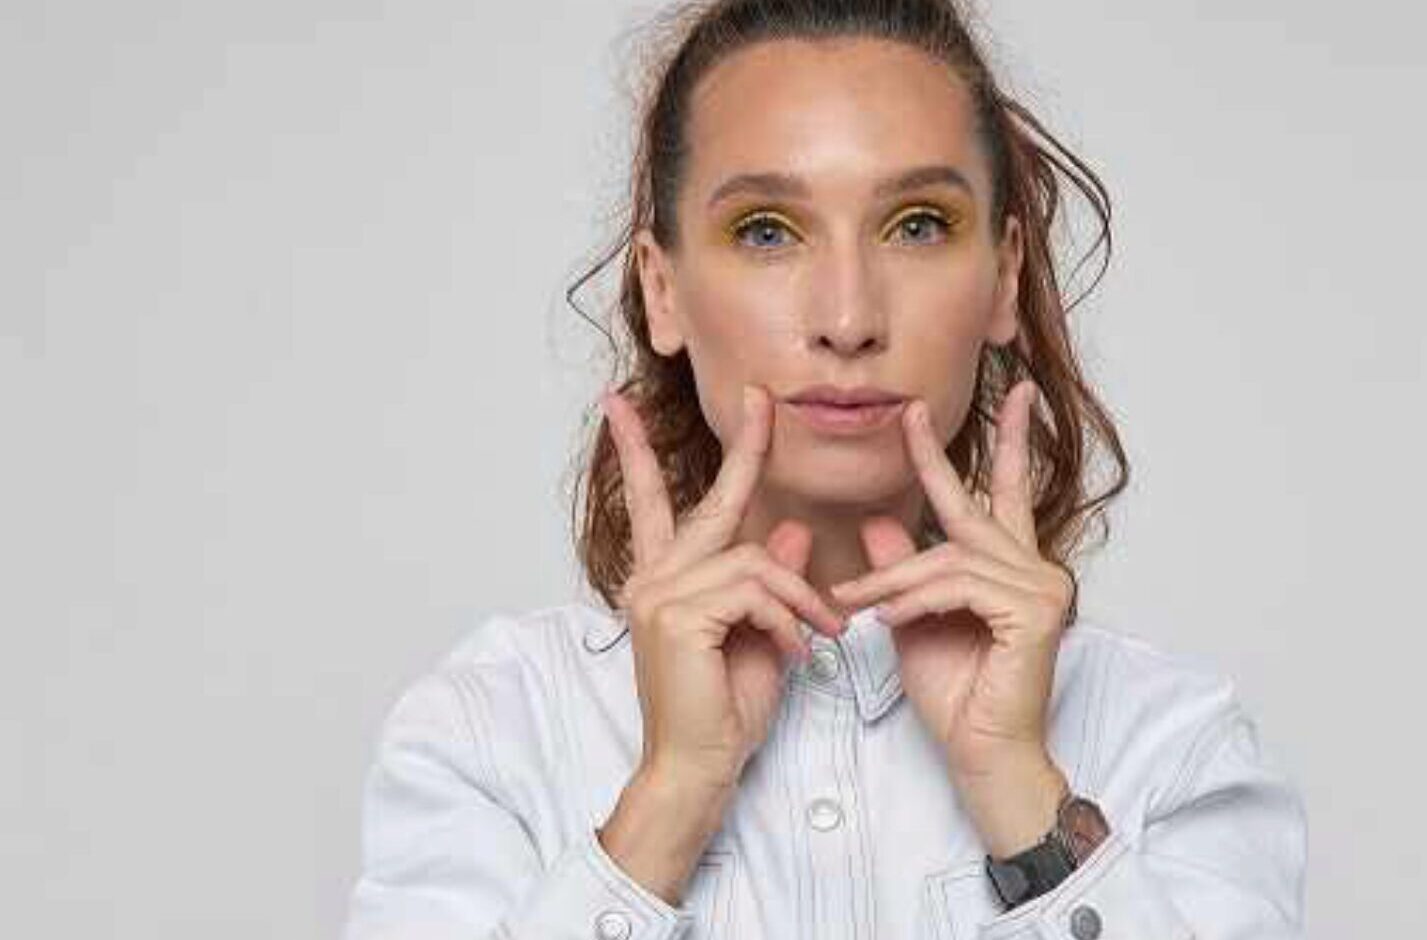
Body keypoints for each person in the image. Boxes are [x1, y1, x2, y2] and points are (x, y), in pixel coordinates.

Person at [341, 1, 1307, 938]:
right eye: (766, 230)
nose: (848, 319)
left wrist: (1020, 792)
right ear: (662, 290)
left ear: (1004, 276)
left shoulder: (1171, 744)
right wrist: (669, 802)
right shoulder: (493, 731)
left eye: (917, 224)